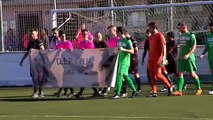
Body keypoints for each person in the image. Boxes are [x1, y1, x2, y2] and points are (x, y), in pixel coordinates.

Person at [173, 21, 202, 96]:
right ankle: (179, 91)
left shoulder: (191, 35)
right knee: (180, 74)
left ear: (184, 26)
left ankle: (199, 89)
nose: (178, 29)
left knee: (192, 74)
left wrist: (188, 54)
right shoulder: (181, 35)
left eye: (179, 27)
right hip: (181, 58)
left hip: (189, 58)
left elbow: (194, 46)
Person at [146, 22, 173, 97]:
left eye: (150, 28)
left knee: (158, 74)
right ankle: (154, 92)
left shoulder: (160, 35)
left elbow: (163, 47)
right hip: (151, 58)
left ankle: (169, 86)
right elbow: (151, 48)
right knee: (152, 75)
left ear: (153, 27)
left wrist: (163, 58)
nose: (149, 29)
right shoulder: (150, 37)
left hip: (158, 58)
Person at [112, 26, 138, 99]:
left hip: (125, 61)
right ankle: (134, 90)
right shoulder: (119, 41)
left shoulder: (128, 41)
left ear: (119, 32)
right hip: (120, 61)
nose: (116, 33)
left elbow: (132, 51)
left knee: (120, 75)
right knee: (125, 76)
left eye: (116, 31)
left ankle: (117, 93)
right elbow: (118, 49)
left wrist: (123, 49)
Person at [19, 28, 45, 98]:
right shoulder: (30, 42)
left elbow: (43, 50)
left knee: (39, 78)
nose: (32, 35)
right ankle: (35, 92)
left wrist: (34, 50)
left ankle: (40, 92)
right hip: (32, 63)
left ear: (37, 34)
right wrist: (22, 60)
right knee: (34, 78)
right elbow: (27, 52)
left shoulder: (39, 41)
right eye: (31, 34)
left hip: (39, 63)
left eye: (33, 34)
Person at [74, 29, 100, 99]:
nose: (85, 35)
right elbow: (79, 53)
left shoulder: (90, 43)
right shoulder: (81, 43)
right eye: (84, 34)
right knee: (86, 78)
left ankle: (81, 93)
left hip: (89, 63)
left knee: (86, 78)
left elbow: (92, 53)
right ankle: (95, 92)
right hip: (83, 63)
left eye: (86, 34)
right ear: (82, 35)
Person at [55, 30, 75, 98]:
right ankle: (68, 91)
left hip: (68, 63)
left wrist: (63, 50)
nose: (63, 37)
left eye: (64, 36)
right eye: (62, 36)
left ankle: (63, 91)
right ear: (60, 37)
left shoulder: (68, 43)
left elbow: (71, 51)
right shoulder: (58, 43)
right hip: (62, 63)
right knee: (64, 78)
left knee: (66, 78)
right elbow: (56, 52)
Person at [199, 22, 213, 95]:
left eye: (212, 26)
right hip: (210, 58)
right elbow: (207, 47)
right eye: (210, 27)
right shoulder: (208, 37)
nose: (211, 28)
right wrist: (202, 54)